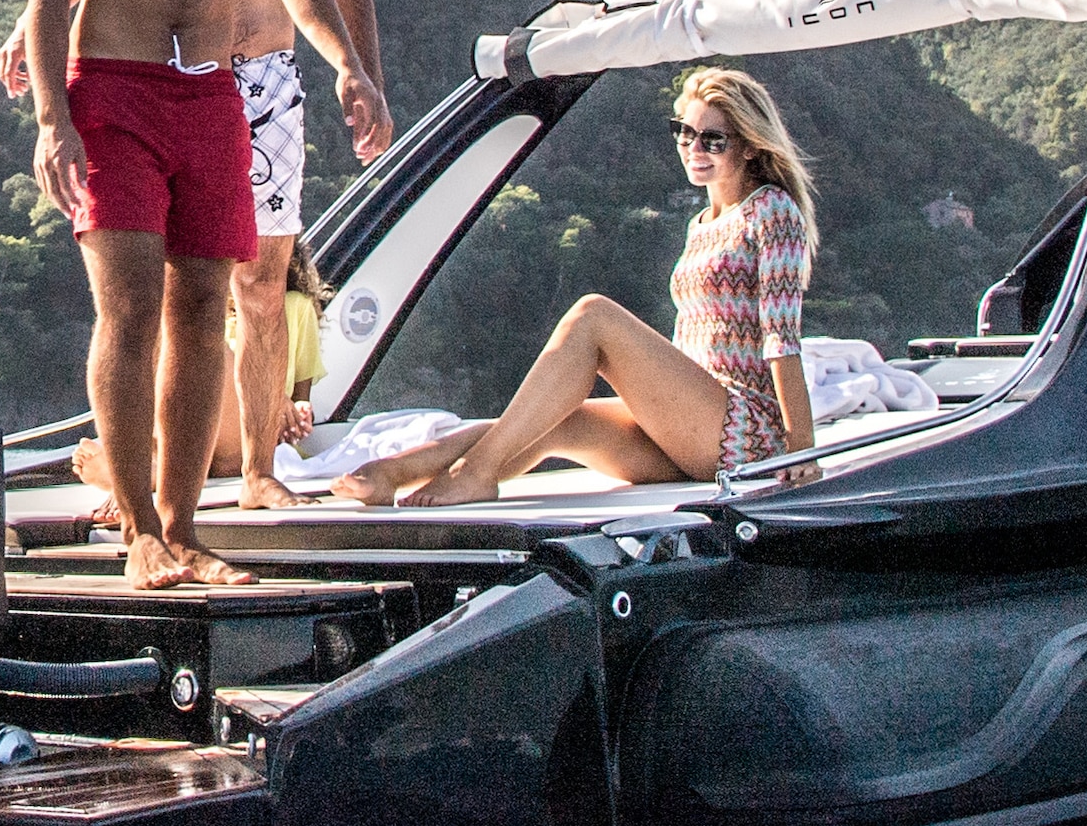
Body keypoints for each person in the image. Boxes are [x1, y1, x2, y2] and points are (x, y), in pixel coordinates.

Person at [21, 0, 373, 589]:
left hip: (213, 97)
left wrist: (348, 67)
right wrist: (54, 120)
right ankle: (138, 531)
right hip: (115, 92)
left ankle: (186, 530)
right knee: (130, 309)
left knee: (199, 313)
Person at [340, 66, 821, 505]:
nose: (694, 149)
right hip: (693, 424)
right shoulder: (702, 222)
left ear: (751, 145)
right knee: (552, 422)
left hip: (745, 432)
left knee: (594, 315)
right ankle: (393, 473)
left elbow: (781, 339)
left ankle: (475, 472)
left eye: (712, 140)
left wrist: (800, 451)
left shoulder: (771, 211)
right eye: (684, 133)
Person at [212, 0, 392, 505]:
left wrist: (364, 77)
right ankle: (157, 478)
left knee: (262, 289)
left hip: (267, 82)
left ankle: (260, 474)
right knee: (172, 291)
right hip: (179, 75)